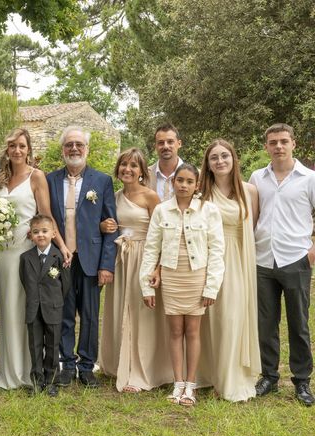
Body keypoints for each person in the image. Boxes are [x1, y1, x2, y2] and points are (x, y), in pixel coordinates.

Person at [141, 163, 224, 406]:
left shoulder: (208, 211)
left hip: (196, 277)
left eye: (189, 181)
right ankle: (177, 384)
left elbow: (217, 251)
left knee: (193, 331)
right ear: (173, 182)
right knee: (175, 331)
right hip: (171, 277)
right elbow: (151, 249)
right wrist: (146, 285)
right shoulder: (162, 210)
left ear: (197, 185)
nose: (184, 185)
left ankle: (191, 385)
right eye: (180, 180)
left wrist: (212, 287)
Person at [0, 128, 71, 390]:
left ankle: (32, 371)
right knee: (8, 307)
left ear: (29, 150)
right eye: (13, 146)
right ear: (7, 149)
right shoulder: (1, 178)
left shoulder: (36, 176)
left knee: (29, 307)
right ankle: (10, 371)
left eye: (22, 146)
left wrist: (61, 246)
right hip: (2, 251)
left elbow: (46, 215)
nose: (17, 150)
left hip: (27, 250)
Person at [46, 126, 118, 388]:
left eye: (79, 145)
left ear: (87, 149)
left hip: (91, 259)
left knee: (89, 315)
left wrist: (106, 264)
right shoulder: (50, 179)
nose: (74, 149)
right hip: (61, 259)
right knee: (64, 314)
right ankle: (67, 364)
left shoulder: (102, 181)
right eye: (69, 145)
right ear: (62, 149)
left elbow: (111, 224)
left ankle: (87, 367)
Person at [249, 123, 315, 406]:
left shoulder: (309, 178)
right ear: (266, 146)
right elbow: (252, 215)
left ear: (293, 144)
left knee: (299, 323)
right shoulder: (257, 177)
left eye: (283, 141)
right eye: (273, 142)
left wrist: (311, 252)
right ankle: (269, 377)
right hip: (263, 258)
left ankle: (301, 381)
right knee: (266, 322)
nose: (278, 146)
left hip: (295, 258)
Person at [99, 148, 172, 393]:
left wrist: (158, 268)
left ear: (142, 171)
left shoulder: (151, 197)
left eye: (133, 166)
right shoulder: (114, 195)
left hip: (143, 257)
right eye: (123, 165)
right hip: (120, 259)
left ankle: (141, 371)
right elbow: (109, 225)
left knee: (141, 313)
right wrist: (103, 225)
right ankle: (117, 363)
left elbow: (163, 234)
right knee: (120, 309)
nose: (127, 169)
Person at [198, 139, 261, 402]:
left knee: (232, 316)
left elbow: (252, 226)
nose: (220, 161)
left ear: (234, 159)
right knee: (209, 317)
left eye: (225, 156)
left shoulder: (249, 191)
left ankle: (231, 375)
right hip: (208, 258)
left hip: (236, 258)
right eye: (214, 158)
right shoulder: (201, 193)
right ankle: (208, 374)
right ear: (208, 164)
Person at [19, 214, 71, 397]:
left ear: (53, 233)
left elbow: (65, 285)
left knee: (52, 346)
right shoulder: (26, 258)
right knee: (35, 346)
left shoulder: (59, 256)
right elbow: (25, 281)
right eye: (36, 232)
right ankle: (37, 381)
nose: (40, 235)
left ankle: (51, 381)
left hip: (53, 307)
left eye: (44, 231)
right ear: (31, 235)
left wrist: (54, 300)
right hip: (34, 308)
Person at [148, 123, 184, 201]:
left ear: (179, 144)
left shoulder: (196, 175)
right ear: (155, 146)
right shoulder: (145, 175)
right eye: (161, 143)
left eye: (170, 142)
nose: (165, 146)